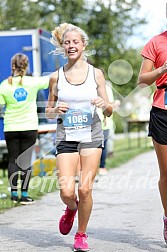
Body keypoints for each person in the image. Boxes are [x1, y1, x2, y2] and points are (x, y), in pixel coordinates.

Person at [45, 23, 112, 251]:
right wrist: (55, 110)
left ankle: (81, 234)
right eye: (67, 42)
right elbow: (48, 110)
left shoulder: (96, 74)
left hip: (91, 134)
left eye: (75, 42)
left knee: (84, 189)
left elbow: (110, 109)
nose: (71, 45)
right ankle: (71, 208)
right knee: (66, 191)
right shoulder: (55, 78)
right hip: (66, 137)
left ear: (83, 45)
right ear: (62, 47)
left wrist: (105, 105)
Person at [0, 53, 49, 205]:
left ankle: (14, 194)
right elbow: (53, 78)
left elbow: (1, 109)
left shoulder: (4, 85)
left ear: (12, 66)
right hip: (29, 127)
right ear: (26, 66)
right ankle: (25, 195)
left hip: (11, 127)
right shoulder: (33, 82)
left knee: (13, 160)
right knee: (25, 162)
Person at [138, 30, 167, 244]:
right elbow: (142, 80)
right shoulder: (156, 42)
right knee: (166, 173)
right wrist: (162, 69)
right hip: (162, 112)